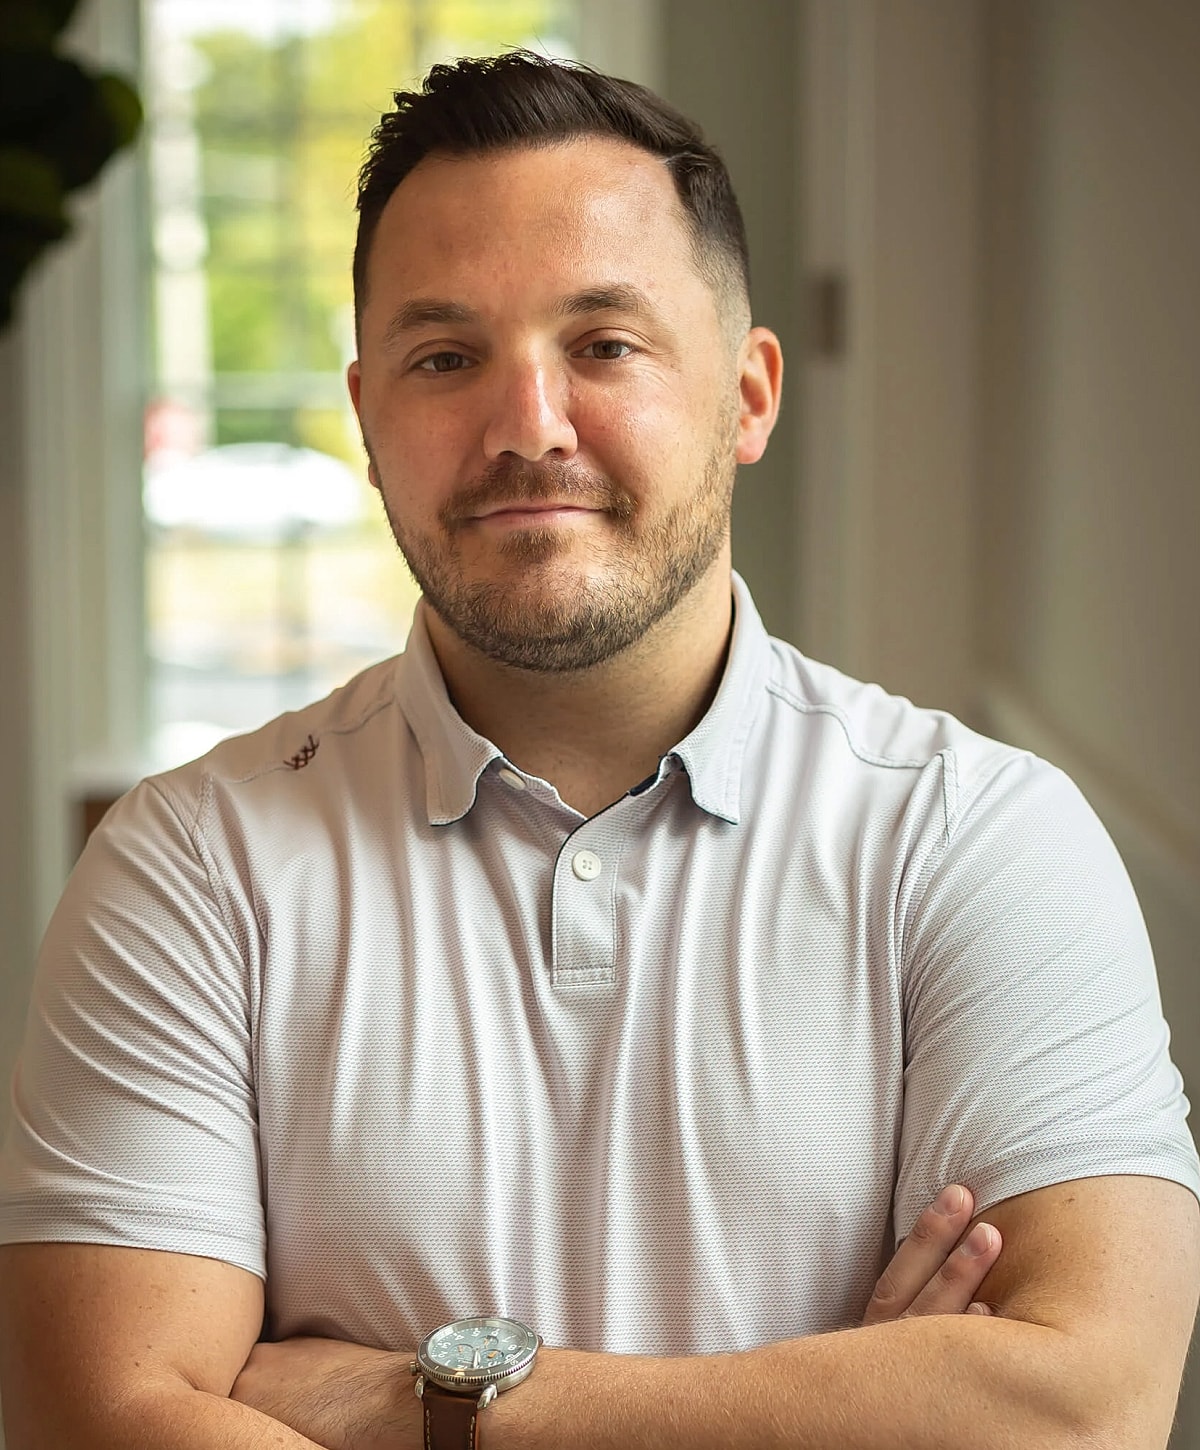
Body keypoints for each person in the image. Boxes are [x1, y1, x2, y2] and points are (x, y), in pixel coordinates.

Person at [1, 49, 1198, 1450]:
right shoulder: (190, 866)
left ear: (749, 395)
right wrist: (846, 1403)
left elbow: (1083, 1410)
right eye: (445, 357)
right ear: (370, 422)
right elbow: (111, 1419)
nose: (528, 426)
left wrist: (423, 1401)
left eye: (604, 344)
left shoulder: (978, 836)